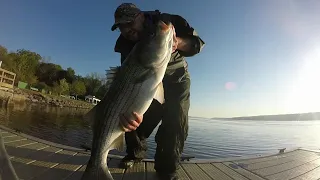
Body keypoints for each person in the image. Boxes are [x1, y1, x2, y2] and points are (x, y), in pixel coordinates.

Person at [111, 3, 205, 179]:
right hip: (148, 81)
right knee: (133, 115)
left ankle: (166, 170)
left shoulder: (167, 21)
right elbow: (128, 76)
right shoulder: (124, 43)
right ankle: (135, 154)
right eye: (121, 27)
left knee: (176, 119)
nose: (126, 30)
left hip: (177, 78)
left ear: (140, 16)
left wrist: (179, 42)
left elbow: (198, 44)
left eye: (129, 23)